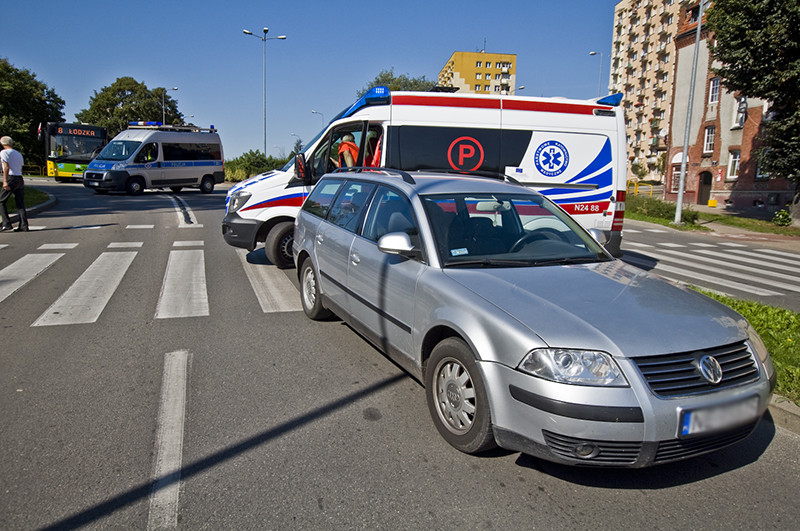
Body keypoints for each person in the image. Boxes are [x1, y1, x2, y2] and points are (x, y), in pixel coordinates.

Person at [1, 136, 28, 232]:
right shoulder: (18, 153)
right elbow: (20, 166)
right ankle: (24, 225)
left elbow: (6, 167)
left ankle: (6, 224)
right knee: (20, 203)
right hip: (19, 178)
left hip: (11, 178)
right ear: (11, 143)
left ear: (2, 144)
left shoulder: (4, 152)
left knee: (1, 201)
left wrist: (5, 181)